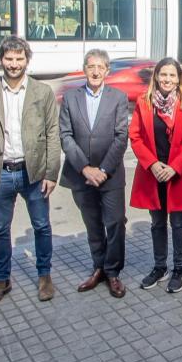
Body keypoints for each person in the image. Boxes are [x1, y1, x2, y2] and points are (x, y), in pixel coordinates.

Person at [0, 36, 61, 307]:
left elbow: (52, 133)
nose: (14, 64)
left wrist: (50, 173)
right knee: (0, 229)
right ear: (1, 60)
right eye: (9, 59)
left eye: (19, 59)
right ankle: (2, 280)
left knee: (41, 225)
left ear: (27, 60)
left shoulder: (42, 92)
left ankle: (44, 275)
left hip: (33, 172)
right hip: (0, 173)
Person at [59, 49, 131, 299]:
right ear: (84, 69)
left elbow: (122, 137)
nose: (96, 71)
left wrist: (102, 170)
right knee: (92, 225)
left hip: (110, 176)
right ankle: (98, 267)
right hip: (81, 175)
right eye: (91, 66)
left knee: (115, 223)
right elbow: (65, 136)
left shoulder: (119, 98)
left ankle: (113, 271)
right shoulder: (70, 98)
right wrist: (85, 168)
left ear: (107, 71)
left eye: (101, 67)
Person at [129, 57, 182, 294]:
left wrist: (175, 166)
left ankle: (179, 270)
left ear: (178, 78)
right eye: (164, 75)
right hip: (153, 174)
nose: (167, 80)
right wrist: (152, 164)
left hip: (177, 175)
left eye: (172, 75)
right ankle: (160, 267)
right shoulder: (144, 102)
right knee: (157, 223)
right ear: (156, 77)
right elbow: (136, 136)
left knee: (179, 223)